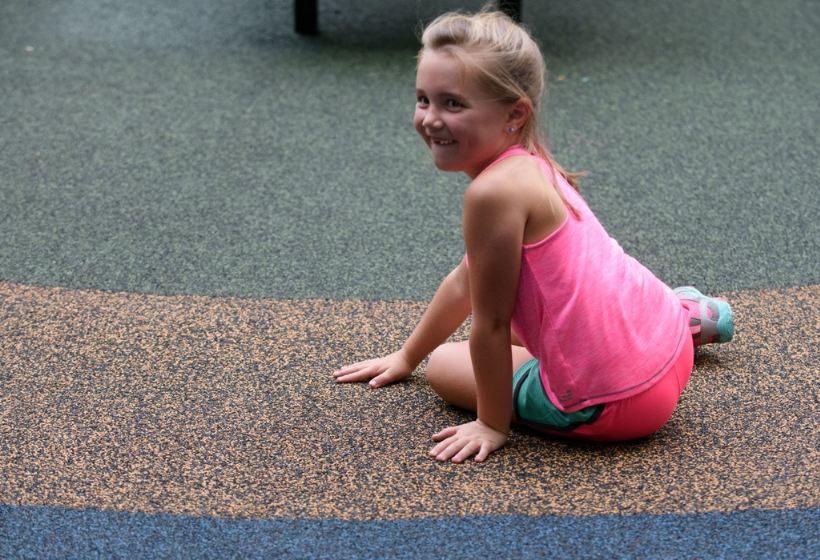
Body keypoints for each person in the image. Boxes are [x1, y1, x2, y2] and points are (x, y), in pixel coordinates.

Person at [333, 7, 734, 463]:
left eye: (453, 103)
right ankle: (696, 314)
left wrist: (490, 421)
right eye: (423, 99)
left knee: (445, 364)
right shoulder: (529, 158)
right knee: (566, 301)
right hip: (667, 339)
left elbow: (490, 323)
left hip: (617, 402)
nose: (430, 119)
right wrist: (405, 355)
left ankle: (548, 394)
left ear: (514, 113)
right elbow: (466, 280)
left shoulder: (490, 193)